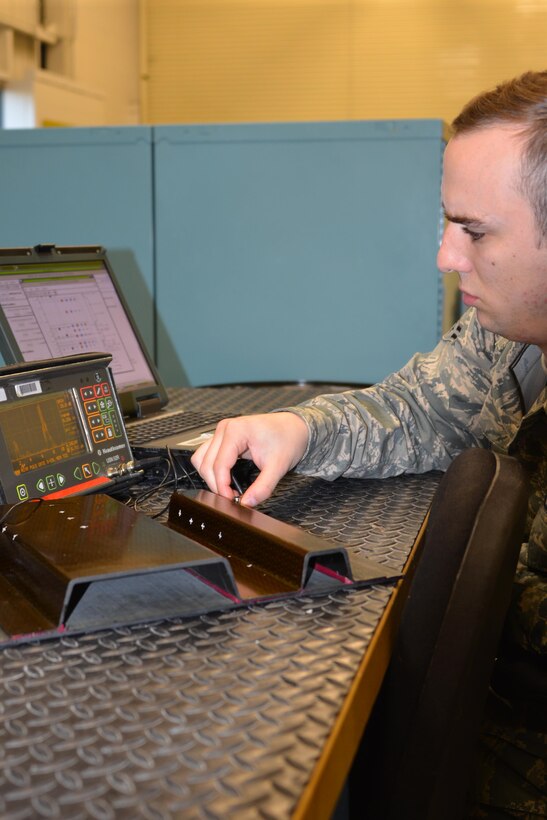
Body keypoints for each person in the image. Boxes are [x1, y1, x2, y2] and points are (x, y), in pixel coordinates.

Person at [192, 70, 547, 816]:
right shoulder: (508, 336)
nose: (446, 258)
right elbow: (421, 407)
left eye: (473, 231)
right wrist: (301, 430)